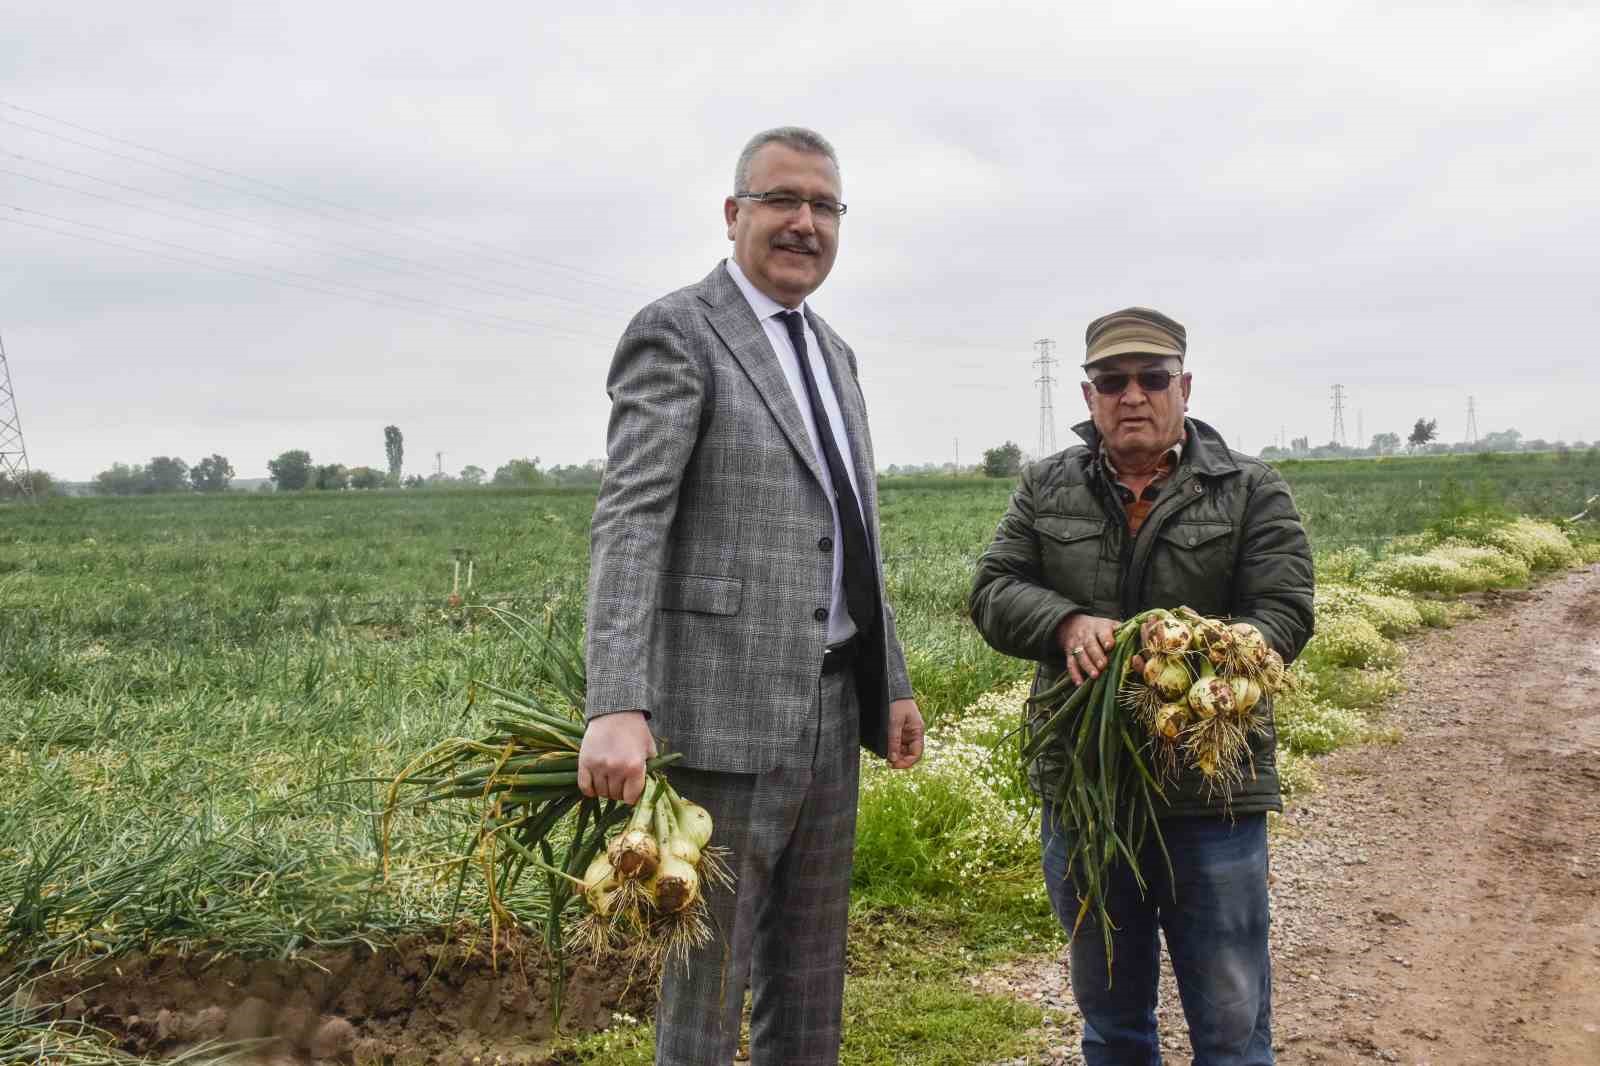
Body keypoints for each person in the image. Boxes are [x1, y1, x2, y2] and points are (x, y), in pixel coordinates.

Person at [579, 126, 924, 1066]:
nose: (803, 223)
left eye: (823, 206)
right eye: (781, 200)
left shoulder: (836, 354)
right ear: (734, 214)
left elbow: (854, 531)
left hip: (828, 709)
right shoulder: (678, 331)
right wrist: (616, 702)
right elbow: (631, 518)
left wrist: (887, 680)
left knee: (810, 984)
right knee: (706, 986)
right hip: (718, 716)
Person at [969, 307, 1314, 1065]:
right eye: (1112, 381)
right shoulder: (1045, 486)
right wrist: (1064, 624)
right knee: (1113, 1019)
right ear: (1089, 396)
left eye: (1151, 379)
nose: (1133, 395)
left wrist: (1215, 656)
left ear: (1183, 387)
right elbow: (993, 590)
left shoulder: (1251, 488)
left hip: (1212, 793)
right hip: (1087, 791)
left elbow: (1286, 610)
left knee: (1230, 1021)